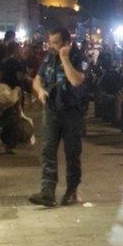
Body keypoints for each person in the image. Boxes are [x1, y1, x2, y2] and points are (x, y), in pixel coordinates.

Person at [29, 28, 87, 207]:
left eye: (56, 43)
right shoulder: (48, 58)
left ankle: (72, 190)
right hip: (52, 111)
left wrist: (65, 58)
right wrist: (40, 91)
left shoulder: (78, 58)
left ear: (67, 43)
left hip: (72, 112)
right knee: (48, 151)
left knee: (72, 152)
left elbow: (76, 80)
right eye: (50, 42)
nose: (51, 46)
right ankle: (47, 192)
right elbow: (37, 79)